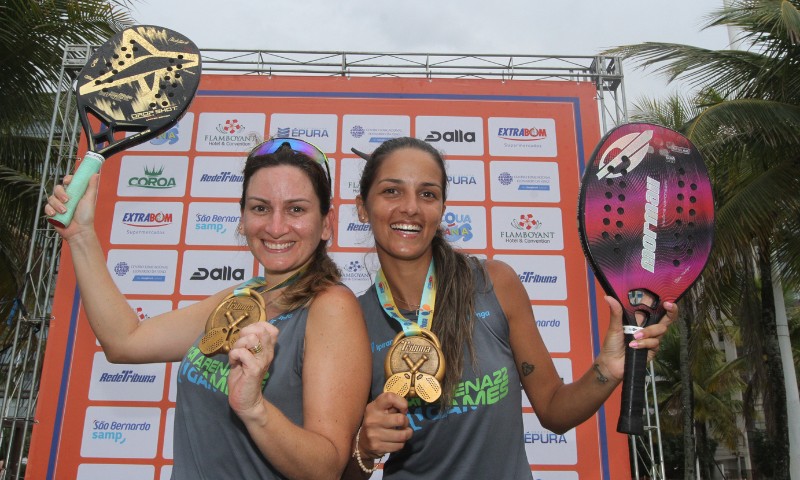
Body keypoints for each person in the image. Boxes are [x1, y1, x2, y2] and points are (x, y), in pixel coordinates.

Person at [343, 137, 678, 479]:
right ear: (362, 206)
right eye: (391, 191)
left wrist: (608, 368)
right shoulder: (352, 322)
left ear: (442, 208)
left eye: (427, 193)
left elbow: (553, 411)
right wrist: (365, 450)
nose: (410, 208)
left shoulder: (494, 284)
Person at [45, 139, 371, 480]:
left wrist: (254, 409)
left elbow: (326, 468)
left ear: (327, 222)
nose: (276, 227)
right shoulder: (244, 297)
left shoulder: (331, 307)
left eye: (296, 209)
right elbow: (125, 341)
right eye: (260, 208)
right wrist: (80, 235)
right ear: (242, 217)